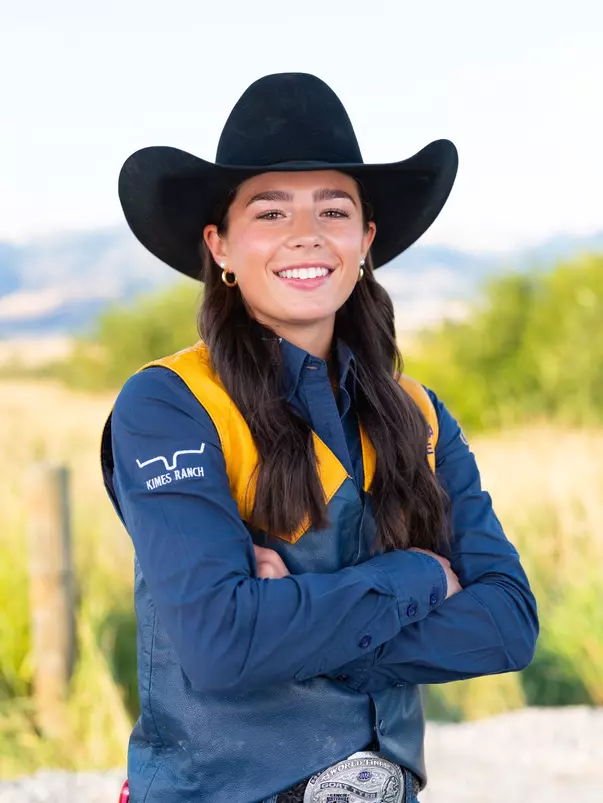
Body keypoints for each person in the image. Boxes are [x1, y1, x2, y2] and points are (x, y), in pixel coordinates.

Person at [101, 72, 539, 803]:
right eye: (270, 212)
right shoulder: (171, 404)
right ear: (220, 245)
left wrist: (293, 629)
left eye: (333, 210)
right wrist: (420, 578)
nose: (306, 233)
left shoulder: (421, 415)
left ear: (364, 240)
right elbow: (222, 646)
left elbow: (508, 623)